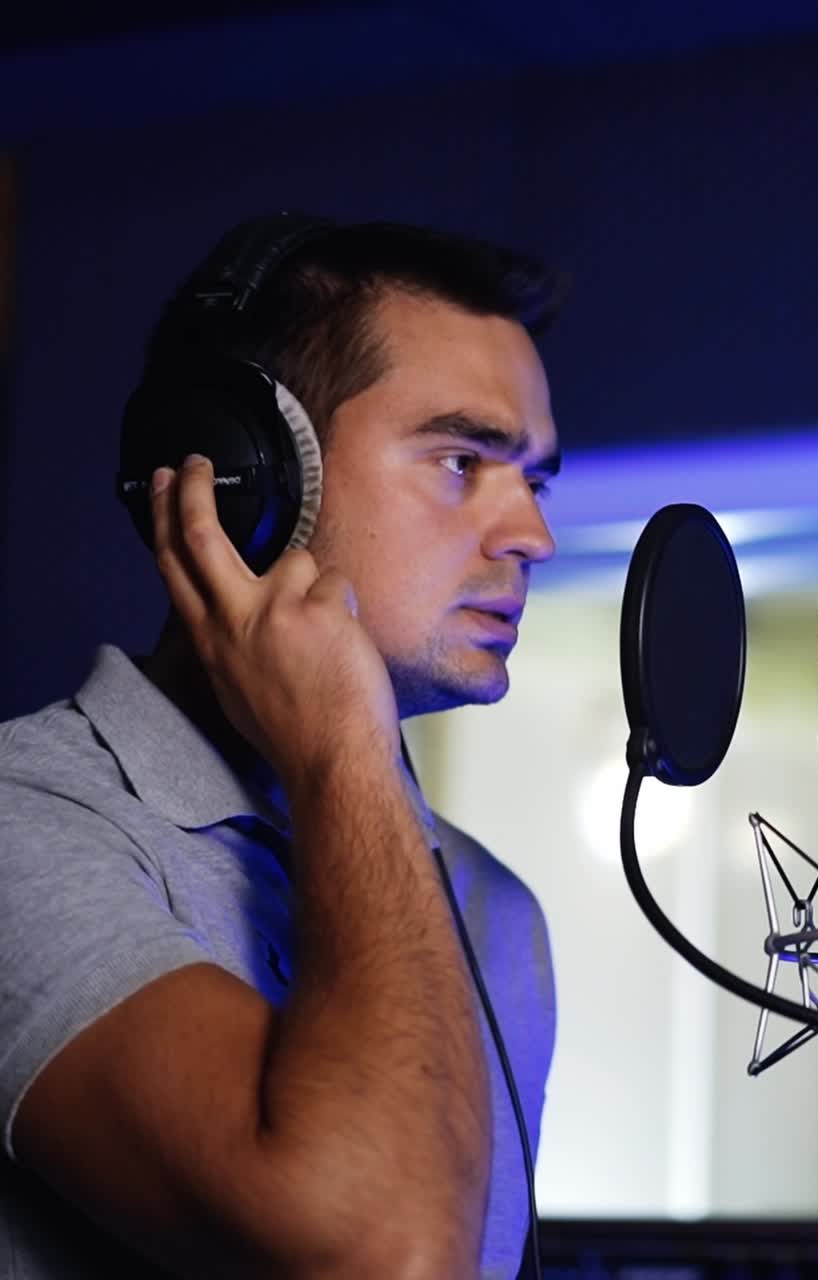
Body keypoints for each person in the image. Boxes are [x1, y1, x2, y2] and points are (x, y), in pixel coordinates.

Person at [0, 217, 564, 1278]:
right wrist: (341, 750)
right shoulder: (23, 829)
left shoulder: (494, 910)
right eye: (461, 459)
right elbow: (380, 1248)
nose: (531, 532)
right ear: (242, 476)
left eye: (535, 477)